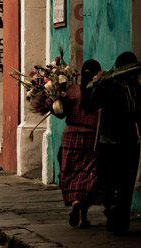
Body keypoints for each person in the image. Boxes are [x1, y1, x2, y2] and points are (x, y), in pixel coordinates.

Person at [87, 52, 141, 235]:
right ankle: (114, 213)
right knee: (114, 182)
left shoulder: (134, 88)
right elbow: (93, 103)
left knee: (123, 183)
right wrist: (99, 82)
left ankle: (119, 218)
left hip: (125, 142)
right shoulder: (111, 85)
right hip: (112, 141)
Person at [56, 59, 102, 228]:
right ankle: (83, 217)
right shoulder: (98, 91)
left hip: (70, 137)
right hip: (91, 138)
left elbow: (60, 113)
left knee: (72, 173)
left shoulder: (72, 90)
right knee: (88, 173)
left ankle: (75, 202)